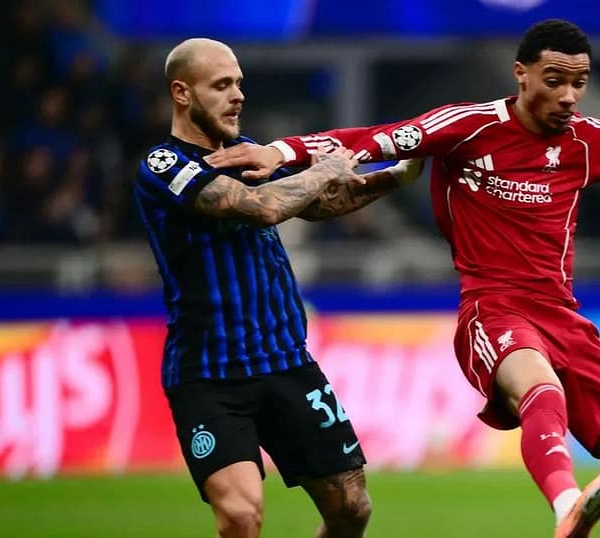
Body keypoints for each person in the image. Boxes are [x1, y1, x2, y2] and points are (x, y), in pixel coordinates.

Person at [206, 19, 600, 537]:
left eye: (579, 82)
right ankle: (568, 507)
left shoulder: (589, 141)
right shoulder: (469, 127)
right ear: (521, 74)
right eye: (555, 80)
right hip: (493, 310)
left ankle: (599, 511)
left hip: (565, 319)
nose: (569, 95)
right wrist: (282, 153)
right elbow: (370, 140)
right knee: (540, 389)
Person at [135, 38, 421, 538]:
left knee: (352, 508)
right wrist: (326, 167)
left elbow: (319, 201)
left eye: (239, 83)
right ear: (182, 93)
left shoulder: (248, 155)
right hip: (210, 375)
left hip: (286, 362)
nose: (237, 95)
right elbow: (263, 207)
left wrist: (398, 174)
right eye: (221, 85)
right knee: (241, 516)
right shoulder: (164, 166)